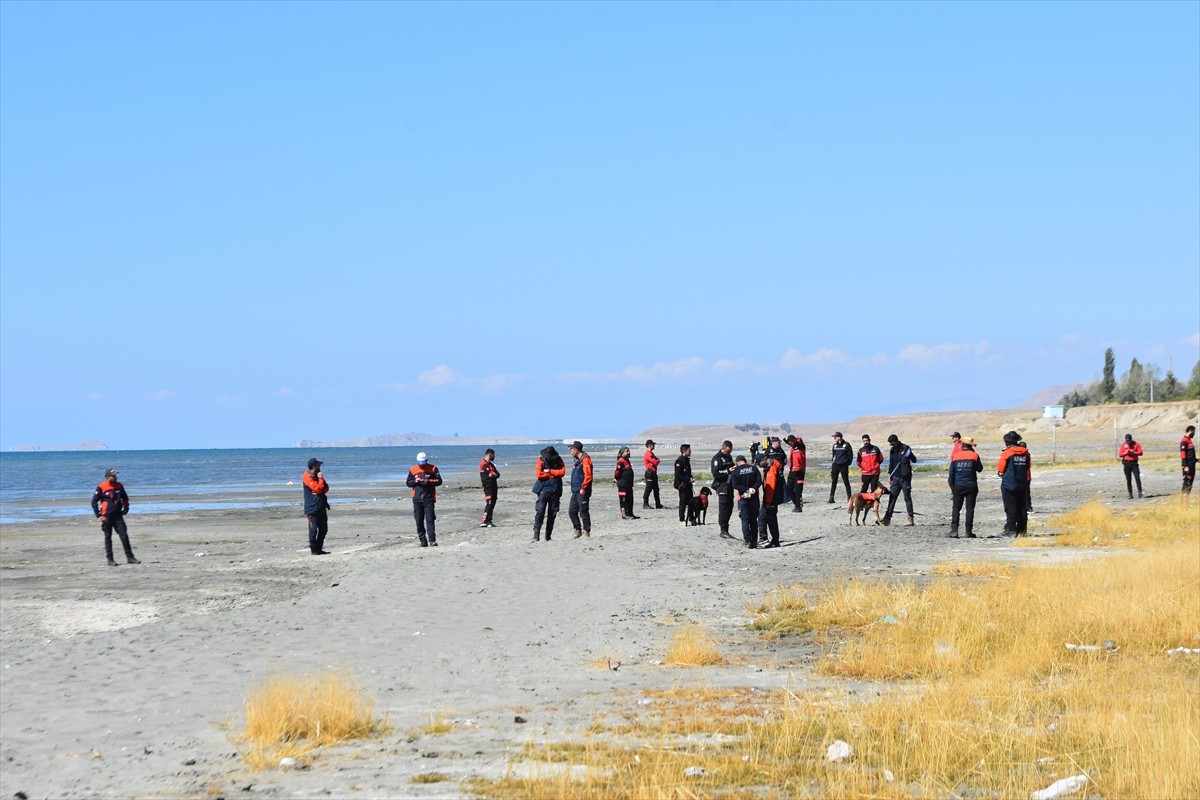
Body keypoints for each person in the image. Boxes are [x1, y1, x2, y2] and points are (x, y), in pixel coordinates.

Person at [91, 468, 139, 566]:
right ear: (108, 477)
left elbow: (125, 498)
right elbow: (94, 502)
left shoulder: (119, 486)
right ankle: (110, 560)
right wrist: (99, 516)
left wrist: (126, 508)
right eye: (113, 475)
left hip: (118, 516)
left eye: (115, 475)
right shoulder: (101, 487)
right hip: (107, 516)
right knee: (108, 538)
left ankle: (130, 558)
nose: (115, 477)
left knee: (124, 536)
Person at [947, 437, 983, 538]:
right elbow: (980, 469)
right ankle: (968, 532)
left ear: (962, 445)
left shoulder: (955, 456)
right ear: (971, 446)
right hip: (971, 485)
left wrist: (952, 487)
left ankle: (954, 531)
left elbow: (951, 474)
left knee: (956, 508)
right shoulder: (974, 455)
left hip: (958, 486)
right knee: (970, 509)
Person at [997, 432, 1031, 535]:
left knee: (1010, 506)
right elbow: (1028, 467)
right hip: (1022, 483)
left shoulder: (1007, 453)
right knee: (1022, 507)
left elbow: (1001, 468)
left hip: (1009, 483)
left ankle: (1010, 528)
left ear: (1007, 442)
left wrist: (1001, 473)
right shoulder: (1026, 453)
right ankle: (1022, 530)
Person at [406, 452, 443, 547]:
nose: (421, 465)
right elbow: (408, 483)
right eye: (420, 463)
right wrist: (416, 481)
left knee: (430, 520)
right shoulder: (413, 469)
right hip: (417, 499)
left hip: (429, 498)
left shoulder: (433, 468)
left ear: (426, 461)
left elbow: (439, 481)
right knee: (419, 520)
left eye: (423, 463)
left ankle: (432, 540)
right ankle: (423, 541)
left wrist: (428, 482)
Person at [880, 434, 917, 527]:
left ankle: (910, 518)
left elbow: (914, 460)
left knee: (907, 498)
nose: (892, 446)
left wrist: (910, 455)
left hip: (905, 478)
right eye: (890, 444)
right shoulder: (892, 450)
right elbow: (891, 463)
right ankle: (887, 519)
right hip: (895, 478)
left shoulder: (906, 448)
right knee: (892, 498)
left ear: (896, 441)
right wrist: (889, 476)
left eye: (893, 444)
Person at [532, 445, 566, 542]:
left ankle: (548, 536)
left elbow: (562, 472)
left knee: (552, 513)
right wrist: (552, 475)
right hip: (543, 488)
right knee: (540, 511)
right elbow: (539, 474)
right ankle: (536, 534)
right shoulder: (540, 460)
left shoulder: (559, 460)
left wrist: (550, 471)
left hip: (555, 489)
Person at [730, 454, 763, 548]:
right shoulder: (754, 469)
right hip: (754, 498)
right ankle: (754, 542)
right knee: (753, 520)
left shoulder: (736, 472)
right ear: (745, 460)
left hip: (743, 499)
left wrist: (746, 489)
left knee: (745, 520)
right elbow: (759, 481)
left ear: (737, 462)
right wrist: (753, 488)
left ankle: (748, 541)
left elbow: (735, 485)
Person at [302, 458, 331, 555]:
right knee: (313, 530)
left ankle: (319, 549)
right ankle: (314, 551)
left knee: (323, 529)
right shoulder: (307, 476)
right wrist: (320, 481)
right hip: (312, 508)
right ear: (314, 466)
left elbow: (325, 488)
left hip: (321, 506)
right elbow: (318, 489)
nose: (320, 467)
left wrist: (320, 482)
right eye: (319, 465)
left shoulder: (318, 476)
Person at [760, 446, 785, 548]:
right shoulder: (774, 466)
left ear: (765, 459)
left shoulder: (771, 470)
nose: (760, 465)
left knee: (763, 517)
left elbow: (770, 488)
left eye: (760, 463)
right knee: (772, 519)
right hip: (775, 498)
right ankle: (775, 540)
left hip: (771, 499)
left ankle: (764, 539)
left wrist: (767, 502)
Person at [710, 440, 736, 539]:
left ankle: (726, 528)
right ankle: (723, 530)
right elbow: (715, 473)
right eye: (727, 451)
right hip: (721, 486)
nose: (728, 453)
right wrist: (727, 471)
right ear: (723, 448)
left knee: (730, 507)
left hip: (729, 485)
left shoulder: (728, 457)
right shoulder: (717, 458)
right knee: (724, 508)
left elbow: (732, 466)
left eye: (730, 452)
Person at [568, 441, 593, 537]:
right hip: (575, 490)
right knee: (572, 511)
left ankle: (586, 530)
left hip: (582, 490)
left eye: (571, 450)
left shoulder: (585, 460)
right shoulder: (577, 460)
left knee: (583, 510)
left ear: (576, 449)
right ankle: (577, 529)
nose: (570, 452)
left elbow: (588, 476)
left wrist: (583, 487)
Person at [613, 446, 638, 520]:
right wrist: (616, 479)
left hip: (629, 484)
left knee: (630, 499)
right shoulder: (620, 461)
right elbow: (617, 472)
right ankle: (624, 514)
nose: (629, 452)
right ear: (622, 452)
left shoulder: (627, 460)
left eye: (629, 451)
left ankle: (630, 513)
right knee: (623, 499)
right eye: (627, 451)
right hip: (623, 484)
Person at [829, 432, 854, 503]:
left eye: (835, 437)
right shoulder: (835, 446)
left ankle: (849, 498)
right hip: (835, 465)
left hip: (843, 466)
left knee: (846, 481)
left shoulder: (846, 445)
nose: (834, 438)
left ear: (839, 437)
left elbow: (850, 455)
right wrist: (833, 462)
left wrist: (847, 463)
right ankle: (831, 497)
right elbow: (833, 455)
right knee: (834, 481)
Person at [674, 443, 695, 526]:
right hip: (682, 485)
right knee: (683, 502)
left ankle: (690, 518)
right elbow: (678, 475)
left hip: (688, 485)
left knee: (691, 502)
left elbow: (687, 472)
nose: (691, 452)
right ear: (685, 451)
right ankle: (681, 519)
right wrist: (688, 479)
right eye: (689, 450)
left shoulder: (686, 460)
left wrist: (691, 478)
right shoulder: (679, 461)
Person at [1118, 434, 1144, 499]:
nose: (1128, 442)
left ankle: (1140, 492)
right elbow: (1120, 455)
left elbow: (1141, 453)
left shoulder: (1136, 444)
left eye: (1129, 440)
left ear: (1131, 439)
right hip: (1126, 463)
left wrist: (1134, 452)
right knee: (1128, 479)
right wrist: (1126, 453)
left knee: (1137, 478)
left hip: (1134, 463)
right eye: (1127, 440)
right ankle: (1130, 494)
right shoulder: (1123, 445)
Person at [785, 434, 807, 512]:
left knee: (798, 490)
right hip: (792, 470)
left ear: (794, 440)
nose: (789, 444)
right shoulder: (792, 448)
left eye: (790, 442)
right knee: (789, 487)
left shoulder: (801, 446)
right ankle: (796, 504)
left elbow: (799, 444)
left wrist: (796, 440)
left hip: (799, 471)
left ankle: (798, 506)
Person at [479, 449, 500, 527]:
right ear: (490, 454)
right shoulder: (483, 464)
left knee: (493, 503)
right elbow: (490, 474)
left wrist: (494, 474)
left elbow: (497, 474)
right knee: (489, 503)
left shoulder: (491, 464)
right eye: (493, 455)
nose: (494, 456)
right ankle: (483, 520)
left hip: (494, 486)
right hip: (488, 486)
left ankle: (489, 521)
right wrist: (493, 474)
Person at [642, 440, 665, 509]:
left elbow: (657, 460)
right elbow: (655, 462)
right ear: (650, 445)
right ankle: (645, 504)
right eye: (653, 445)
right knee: (648, 489)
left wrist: (656, 461)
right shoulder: (648, 454)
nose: (654, 446)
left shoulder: (651, 453)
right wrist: (655, 461)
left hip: (653, 473)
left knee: (656, 489)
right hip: (650, 473)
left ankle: (658, 504)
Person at [1182, 425, 1196, 501]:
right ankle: (1184, 505)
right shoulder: (1184, 440)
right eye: (1194, 432)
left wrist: (1196, 460)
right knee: (1186, 485)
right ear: (1190, 431)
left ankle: (1185, 503)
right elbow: (1183, 454)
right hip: (1187, 467)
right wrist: (1185, 466)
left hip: (1192, 465)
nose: (1194, 434)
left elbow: (1189, 454)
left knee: (1190, 485)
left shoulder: (1189, 440)